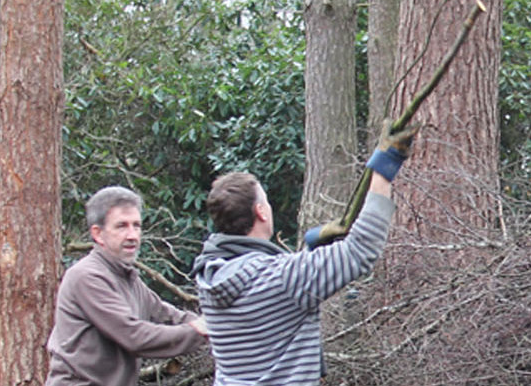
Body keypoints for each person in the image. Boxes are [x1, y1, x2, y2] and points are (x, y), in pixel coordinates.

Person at [192, 125, 415, 385]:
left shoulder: (210, 277)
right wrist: (385, 168)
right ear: (261, 211)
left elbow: (270, 293)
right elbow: (361, 248)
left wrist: (310, 251)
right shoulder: (285, 278)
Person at [47, 187, 211, 386]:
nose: (132, 235)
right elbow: (135, 336)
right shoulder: (87, 276)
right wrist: (200, 332)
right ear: (98, 234)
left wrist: (213, 325)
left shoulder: (128, 277)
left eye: (137, 225)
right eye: (122, 226)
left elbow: (167, 316)